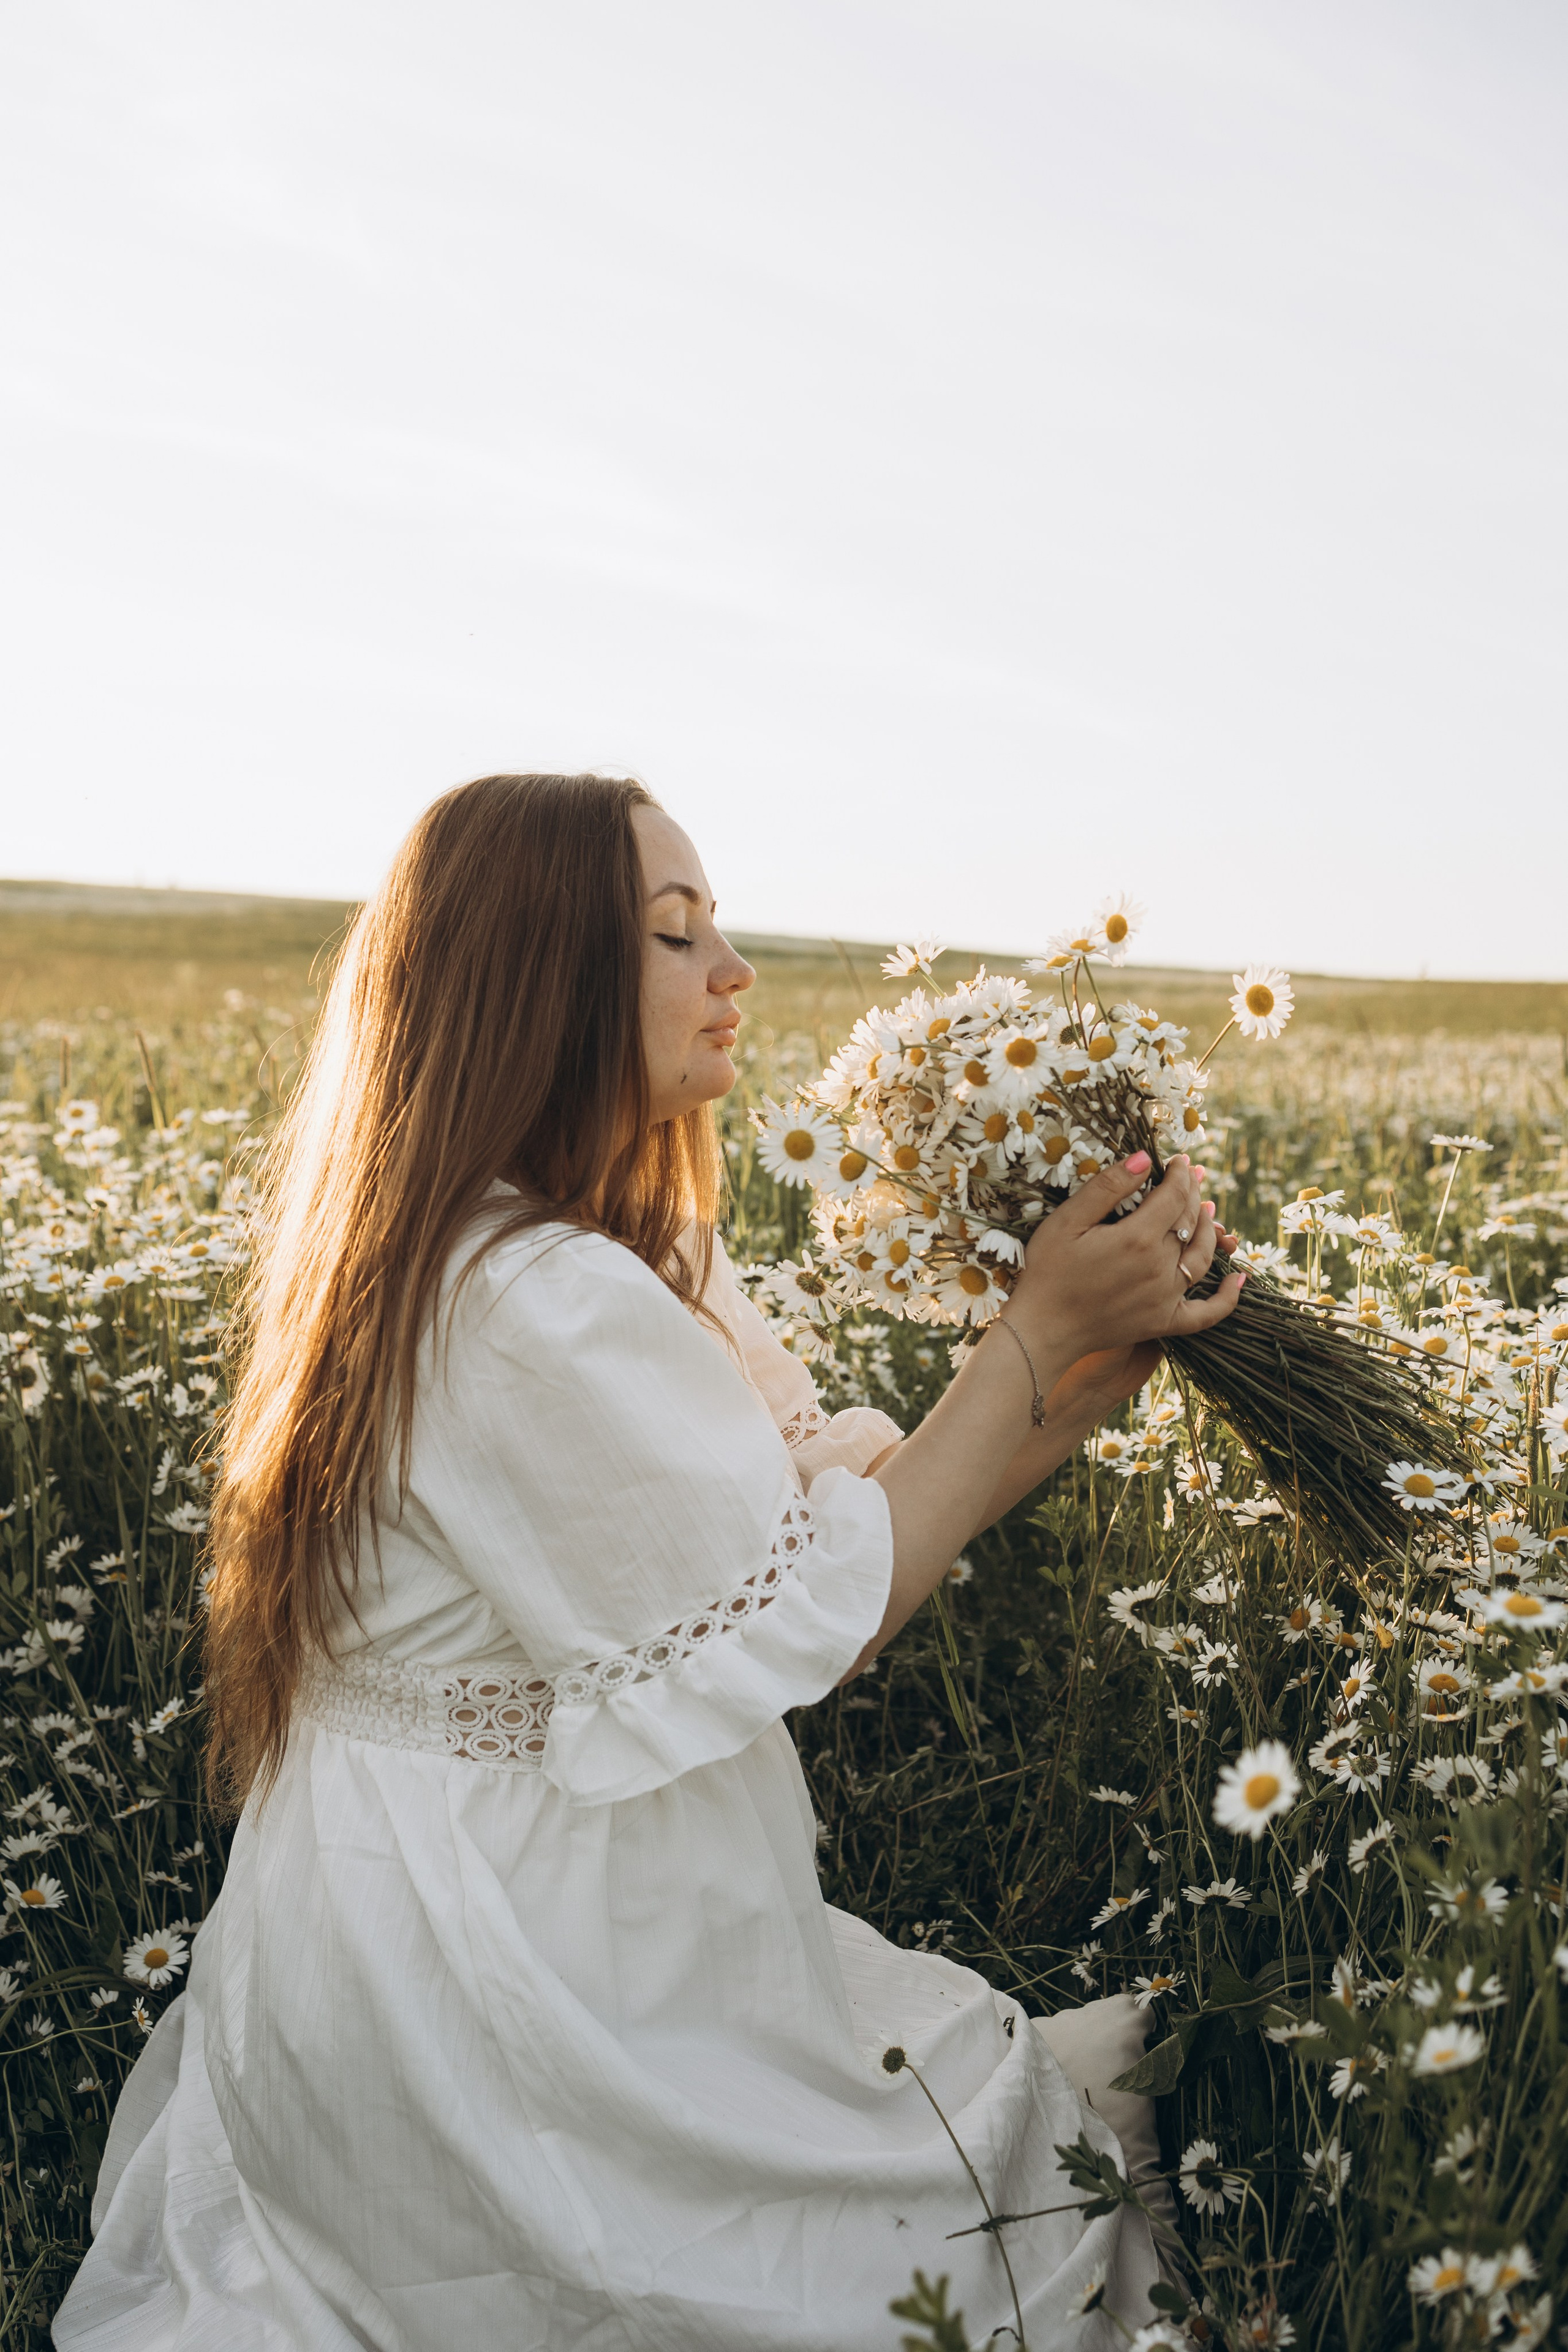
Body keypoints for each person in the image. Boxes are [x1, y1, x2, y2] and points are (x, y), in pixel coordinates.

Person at [56, 773, 1240, 2352]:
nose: (735, 970)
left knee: (962, 2127)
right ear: (540, 985)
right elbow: (842, 1602)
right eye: (678, 936)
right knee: (933, 2214)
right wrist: (1040, 1331)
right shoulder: (530, 1301)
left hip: (439, 1901)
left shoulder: (547, 1245)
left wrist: (1092, 1365)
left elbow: (831, 1528)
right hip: (490, 1973)